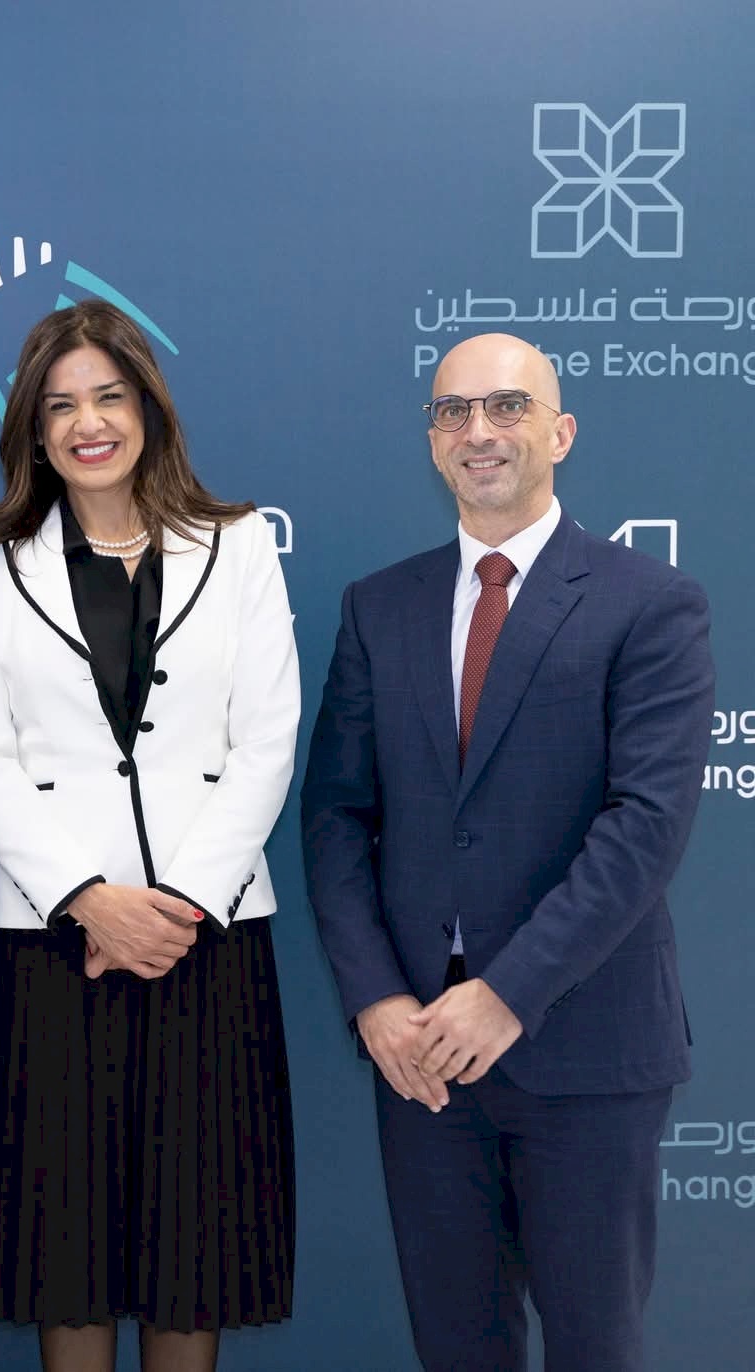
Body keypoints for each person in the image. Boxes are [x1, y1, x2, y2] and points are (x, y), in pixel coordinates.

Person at [302, 332, 713, 1372]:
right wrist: (376, 1001)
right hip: (422, 1063)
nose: (476, 430)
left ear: (559, 432)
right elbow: (336, 815)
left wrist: (507, 994)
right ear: (432, 441)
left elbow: (644, 825)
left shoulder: (650, 602)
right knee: (456, 1350)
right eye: (452, 411)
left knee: (592, 1349)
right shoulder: (377, 606)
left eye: (505, 406)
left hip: (585, 1052)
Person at [0, 301, 300, 1372]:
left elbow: (266, 741)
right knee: (67, 1255)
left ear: (147, 406)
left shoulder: (238, 545)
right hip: (54, 947)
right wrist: (90, 901)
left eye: (107, 396)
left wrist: (175, 907)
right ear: (33, 429)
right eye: (60, 406)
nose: (87, 423)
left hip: (206, 941)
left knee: (196, 1252)